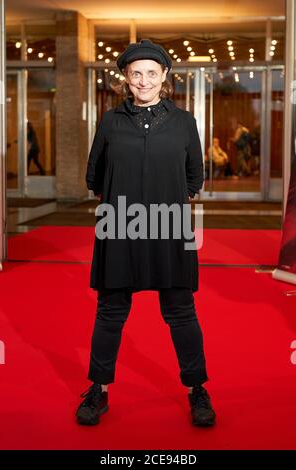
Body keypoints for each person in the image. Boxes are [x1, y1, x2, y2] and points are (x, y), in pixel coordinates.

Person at [76, 39, 216, 427]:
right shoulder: (110, 121)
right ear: (126, 77)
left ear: (164, 77)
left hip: (170, 225)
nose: (143, 80)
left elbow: (194, 176)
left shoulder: (184, 121)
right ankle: (98, 390)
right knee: (110, 313)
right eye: (136, 73)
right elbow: (94, 174)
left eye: (151, 73)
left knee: (181, 312)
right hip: (118, 224)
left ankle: (197, 389)